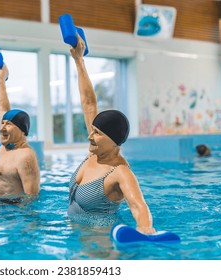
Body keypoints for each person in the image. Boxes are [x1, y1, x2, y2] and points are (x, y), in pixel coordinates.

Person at [67, 35, 155, 234]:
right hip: (74, 231)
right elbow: (89, 102)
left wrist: (145, 229)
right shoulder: (95, 153)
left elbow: (138, 205)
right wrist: (79, 61)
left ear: (114, 141)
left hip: (99, 238)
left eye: (97, 133)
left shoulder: (119, 172)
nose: (90, 136)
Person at [0, 63, 40, 204]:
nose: (2, 127)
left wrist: (26, 223)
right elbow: (2, 107)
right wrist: (1, 79)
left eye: (9, 124)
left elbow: (32, 196)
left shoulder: (25, 156)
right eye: (2, 123)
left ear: (22, 131)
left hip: (7, 212)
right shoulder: (6, 146)